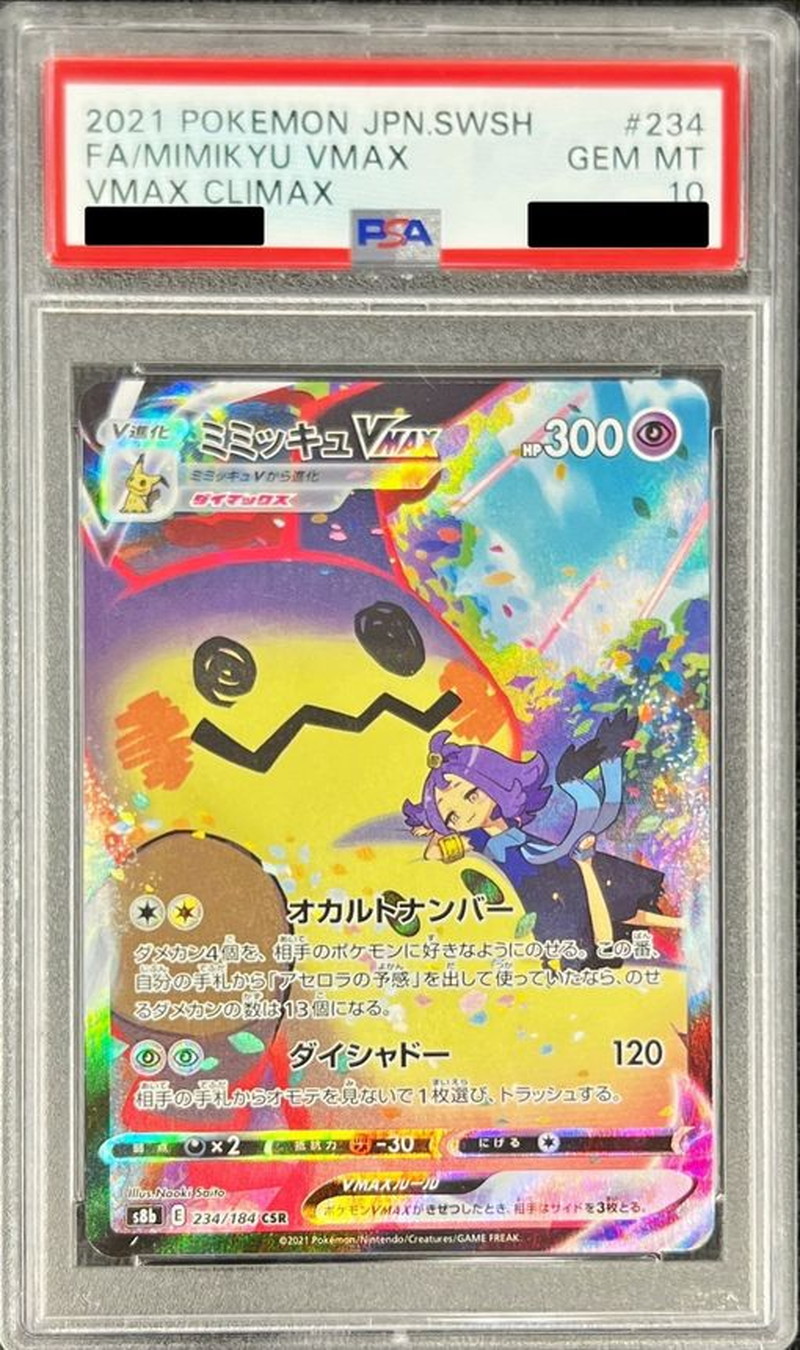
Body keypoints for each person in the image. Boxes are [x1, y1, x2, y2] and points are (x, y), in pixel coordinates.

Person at [402, 712, 682, 967]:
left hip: (551, 863)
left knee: (614, 897)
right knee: (591, 917)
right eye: (451, 815)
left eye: (472, 794)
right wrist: (437, 826)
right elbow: (433, 854)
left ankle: (680, 924)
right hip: (533, 890)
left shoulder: (507, 826)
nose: (465, 812)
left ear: (492, 783)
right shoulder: (474, 837)